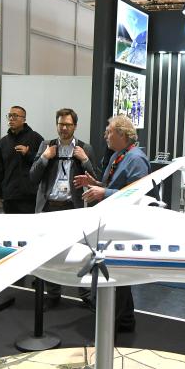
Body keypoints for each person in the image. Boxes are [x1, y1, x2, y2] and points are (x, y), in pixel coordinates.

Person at [74, 114, 150, 332]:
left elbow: (136, 195)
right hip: (115, 222)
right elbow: (116, 185)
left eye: (109, 132)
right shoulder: (120, 155)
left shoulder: (136, 159)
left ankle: (111, 327)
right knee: (119, 275)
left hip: (125, 225)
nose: (105, 135)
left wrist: (103, 192)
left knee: (118, 274)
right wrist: (95, 183)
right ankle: (125, 320)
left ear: (122, 134)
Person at [30, 108, 98, 306]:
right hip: (49, 208)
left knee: (81, 253)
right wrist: (45, 157)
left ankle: (85, 295)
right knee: (50, 254)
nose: (64, 128)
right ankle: (53, 294)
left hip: (73, 209)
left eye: (68, 124)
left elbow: (96, 178)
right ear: (57, 125)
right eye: (61, 124)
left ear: (75, 126)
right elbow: (33, 176)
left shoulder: (85, 148)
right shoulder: (46, 145)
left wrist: (85, 160)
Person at [0, 105, 43, 214]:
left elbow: (44, 162)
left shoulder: (35, 138)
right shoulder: (3, 142)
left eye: (15, 116)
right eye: (10, 115)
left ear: (24, 119)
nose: (11, 118)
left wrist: (28, 154)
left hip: (29, 197)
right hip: (9, 196)